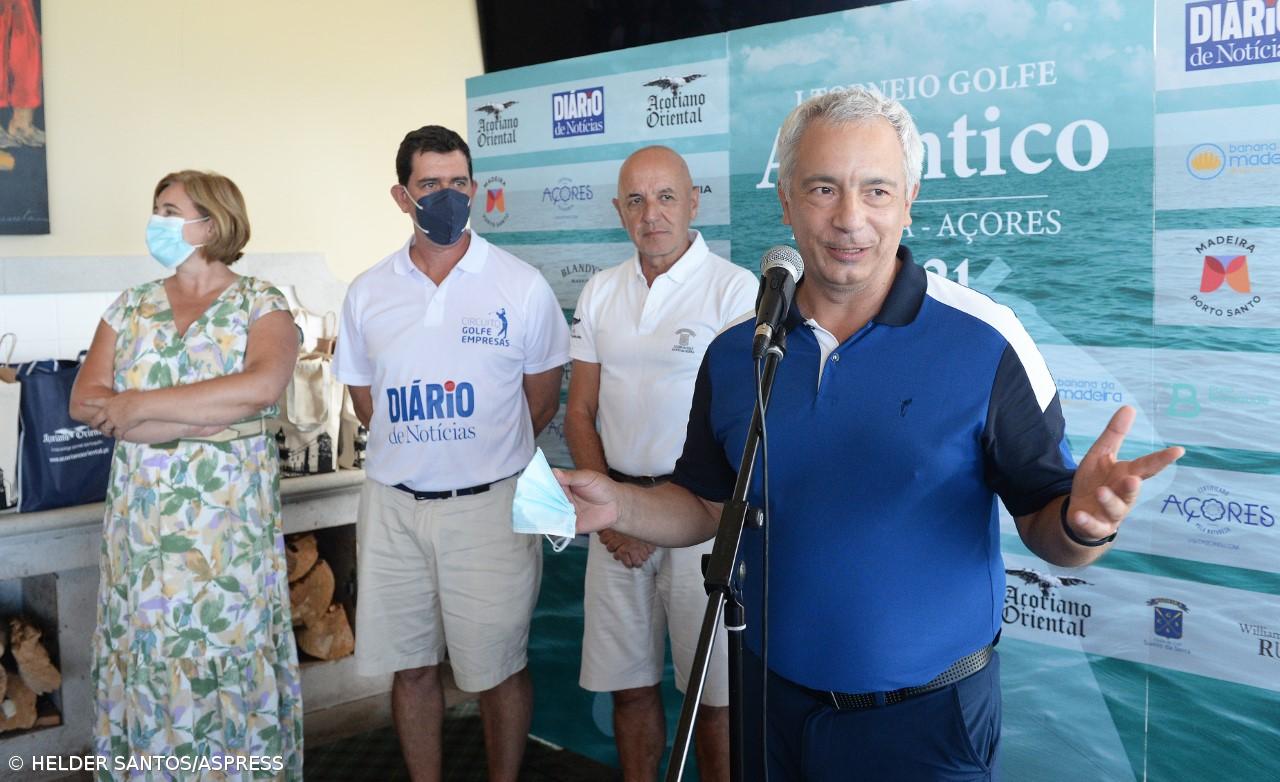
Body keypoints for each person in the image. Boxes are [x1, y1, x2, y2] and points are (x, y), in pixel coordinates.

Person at [556, 89, 1183, 781]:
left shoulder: (986, 340)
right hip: (771, 706)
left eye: (875, 190)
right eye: (823, 188)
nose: (849, 219)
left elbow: (1048, 526)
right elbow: (707, 506)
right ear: (787, 202)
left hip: (928, 725)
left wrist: (1086, 523)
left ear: (908, 199)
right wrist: (617, 504)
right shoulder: (740, 354)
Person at [333, 125, 569, 782]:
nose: (446, 196)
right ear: (401, 196)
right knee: (411, 667)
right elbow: (364, 403)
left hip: (489, 510)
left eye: (458, 183)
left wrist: (472, 457)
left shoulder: (519, 287)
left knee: (499, 669)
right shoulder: (367, 292)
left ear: (475, 188)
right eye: (429, 185)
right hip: (393, 510)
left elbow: (540, 402)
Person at [70, 170, 303, 779]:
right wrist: (205, 420)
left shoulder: (262, 301)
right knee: (147, 661)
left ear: (212, 221)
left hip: (228, 535)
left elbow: (261, 385)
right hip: (142, 534)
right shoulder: (131, 305)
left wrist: (142, 406)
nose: (158, 222)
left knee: (227, 652)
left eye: (170, 210)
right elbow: (87, 402)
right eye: (155, 209)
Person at [567, 146, 756, 782]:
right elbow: (578, 412)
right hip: (612, 516)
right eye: (637, 200)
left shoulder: (735, 292)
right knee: (628, 689)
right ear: (620, 210)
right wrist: (618, 517)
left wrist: (661, 517)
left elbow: (744, 428)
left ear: (694, 201)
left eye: (667, 196)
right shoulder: (599, 291)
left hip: (702, 520)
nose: (653, 214)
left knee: (714, 702)